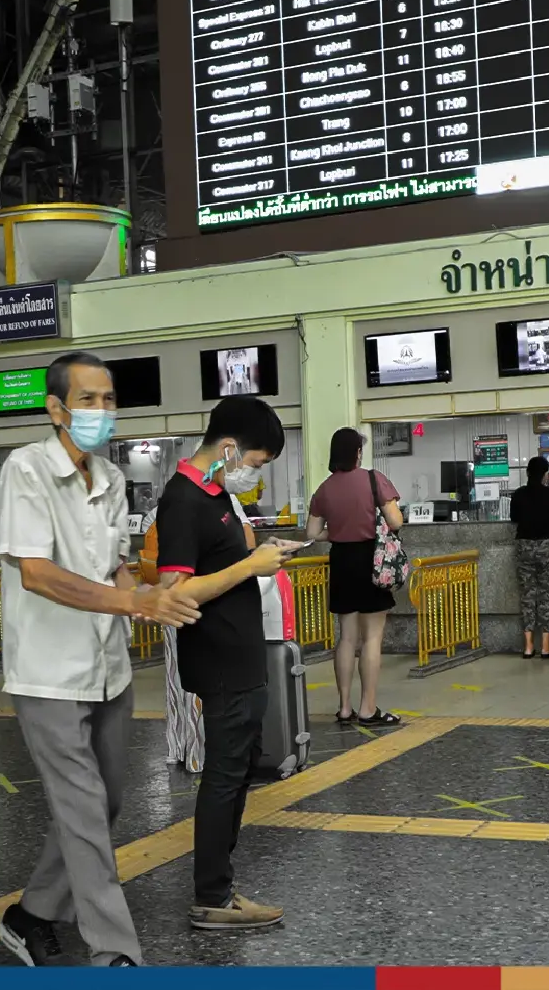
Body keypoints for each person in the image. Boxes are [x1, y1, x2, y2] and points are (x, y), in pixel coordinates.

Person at [0, 351, 201, 967]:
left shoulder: (110, 480)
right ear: (56, 409)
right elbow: (37, 573)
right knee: (83, 810)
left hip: (107, 667)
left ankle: (29, 914)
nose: (101, 412)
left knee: (104, 803)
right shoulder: (24, 470)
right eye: (88, 400)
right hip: (48, 672)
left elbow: (114, 564)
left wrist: (147, 592)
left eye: (109, 400)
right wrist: (129, 598)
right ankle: (114, 953)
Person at [155, 397, 293, 932]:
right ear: (230, 449)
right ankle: (212, 895)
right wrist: (250, 566)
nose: (254, 473)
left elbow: (227, 563)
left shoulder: (214, 495)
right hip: (216, 657)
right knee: (224, 774)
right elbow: (175, 591)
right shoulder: (183, 499)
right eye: (256, 463)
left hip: (241, 653)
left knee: (239, 768)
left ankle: (222, 887)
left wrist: (260, 557)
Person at [306, 427, 404, 727]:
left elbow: (311, 533)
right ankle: (368, 708)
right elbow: (395, 520)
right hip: (371, 560)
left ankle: (345, 708)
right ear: (358, 453)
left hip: (341, 561)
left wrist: (334, 532)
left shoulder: (324, 488)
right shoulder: (374, 479)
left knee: (346, 638)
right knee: (372, 637)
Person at [511, 457, 549, 660]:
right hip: (548, 548)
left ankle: (528, 647)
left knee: (527, 595)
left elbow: (515, 519)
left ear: (528, 473)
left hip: (524, 547)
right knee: (546, 596)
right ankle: (545, 647)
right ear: (546, 474)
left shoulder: (518, 495)